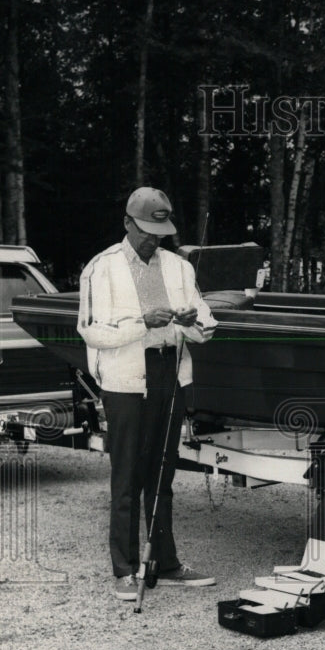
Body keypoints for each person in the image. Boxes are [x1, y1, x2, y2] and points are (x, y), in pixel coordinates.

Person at [78, 187, 219, 601]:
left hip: (169, 372)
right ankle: (124, 568)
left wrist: (193, 321)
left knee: (163, 474)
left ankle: (165, 563)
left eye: (160, 231)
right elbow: (90, 330)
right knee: (127, 476)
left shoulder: (178, 267)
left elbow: (206, 326)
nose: (152, 239)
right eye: (145, 230)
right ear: (127, 223)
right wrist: (142, 322)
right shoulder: (100, 269)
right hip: (124, 379)